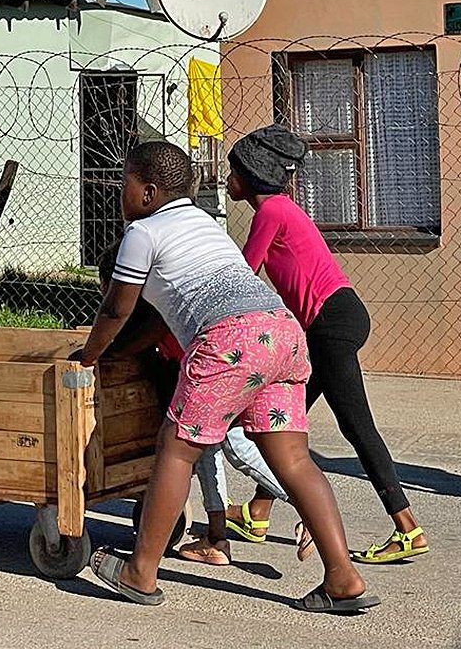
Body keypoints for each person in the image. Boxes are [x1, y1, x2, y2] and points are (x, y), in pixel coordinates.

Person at [80, 140, 378, 613]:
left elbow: (117, 309)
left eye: (125, 185)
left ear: (148, 192)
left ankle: (140, 572)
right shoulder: (203, 222)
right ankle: (342, 577)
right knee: (295, 460)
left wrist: (90, 355)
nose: (122, 195)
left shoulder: (142, 232)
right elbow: (158, 319)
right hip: (280, 333)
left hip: (229, 341)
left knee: (176, 450)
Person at [226, 124, 429, 564]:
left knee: (355, 426)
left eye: (233, 172)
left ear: (252, 175)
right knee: (284, 418)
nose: (227, 181)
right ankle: (258, 511)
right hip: (332, 321)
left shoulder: (271, 213)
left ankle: (407, 527)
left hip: (331, 323)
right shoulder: (281, 209)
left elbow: (244, 276)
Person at [98, 239, 312, 568]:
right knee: (210, 451)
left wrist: (98, 352)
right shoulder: (163, 297)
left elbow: (134, 345)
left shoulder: (154, 310)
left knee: (232, 448)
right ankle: (217, 538)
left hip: (223, 369)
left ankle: (303, 511)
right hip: (241, 356)